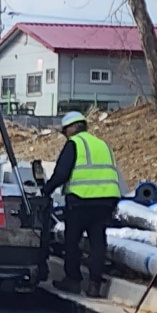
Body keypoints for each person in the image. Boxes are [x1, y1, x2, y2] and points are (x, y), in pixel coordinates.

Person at [41, 110, 121, 297]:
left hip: (80, 201)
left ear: (73, 128)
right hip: (105, 202)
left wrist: (46, 190)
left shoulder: (74, 144)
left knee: (72, 241)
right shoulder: (103, 144)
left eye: (65, 131)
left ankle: (73, 281)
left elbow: (62, 173)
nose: (65, 135)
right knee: (98, 243)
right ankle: (94, 285)